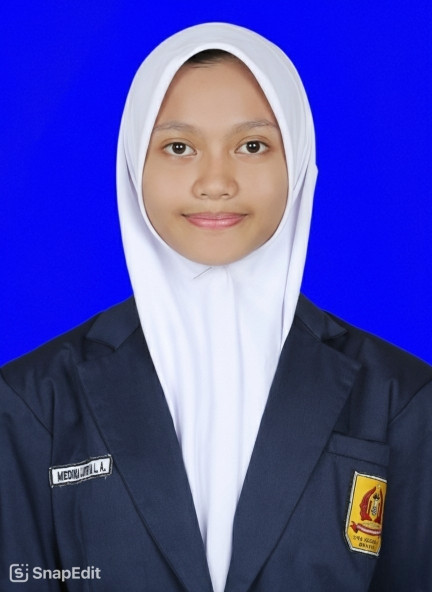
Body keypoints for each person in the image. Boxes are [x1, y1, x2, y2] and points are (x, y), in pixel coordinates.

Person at [1, 22, 431, 592]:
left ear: (299, 160)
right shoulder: (34, 401)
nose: (215, 182)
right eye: (179, 147)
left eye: (252, 146)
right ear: (133, 164)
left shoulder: (401, 397)